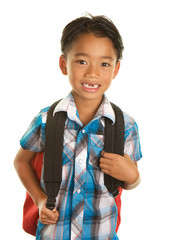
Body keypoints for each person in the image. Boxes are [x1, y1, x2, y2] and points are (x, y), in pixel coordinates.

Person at [14, 14, 142, 240]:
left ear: (116, 69)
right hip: (53, 234)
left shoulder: (125, 125)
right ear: (64, 64)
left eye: (104, 64)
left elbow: (129, 178)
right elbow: (21, 161)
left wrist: (133, 177)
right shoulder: (46, 119)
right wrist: (40, 199)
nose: (93, 73)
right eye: (82, 61)